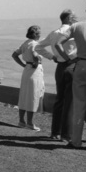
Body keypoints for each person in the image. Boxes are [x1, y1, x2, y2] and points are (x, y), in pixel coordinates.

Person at [56, 0, 86, 150]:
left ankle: (75, 141)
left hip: (81, 65)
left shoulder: (76, 26)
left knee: (79, 104)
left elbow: (57, 43)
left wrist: (67, 58)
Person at [35, 9, 78, 141]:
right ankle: (66, 135)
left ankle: (55, 132)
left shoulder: (54, 33)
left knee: (60, 100)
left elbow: (38, 47)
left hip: (60, 67)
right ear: (68, 19)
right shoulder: (74, 32)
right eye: (73, 16)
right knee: (70, 101)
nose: (76, 18)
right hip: (72, 66)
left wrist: (52, 57)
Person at [12, 26, 45, 131]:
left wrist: (23, 65)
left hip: (26, 70)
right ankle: (30, 123)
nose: (40, 35)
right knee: (33, 96)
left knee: (24, 95)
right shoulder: (35, 44)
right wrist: (35, 62)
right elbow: (35, 55)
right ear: (35, 34)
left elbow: (14, 55)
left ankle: (21, 121)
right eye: (39, 33)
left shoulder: (26, 43)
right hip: (34, 71)